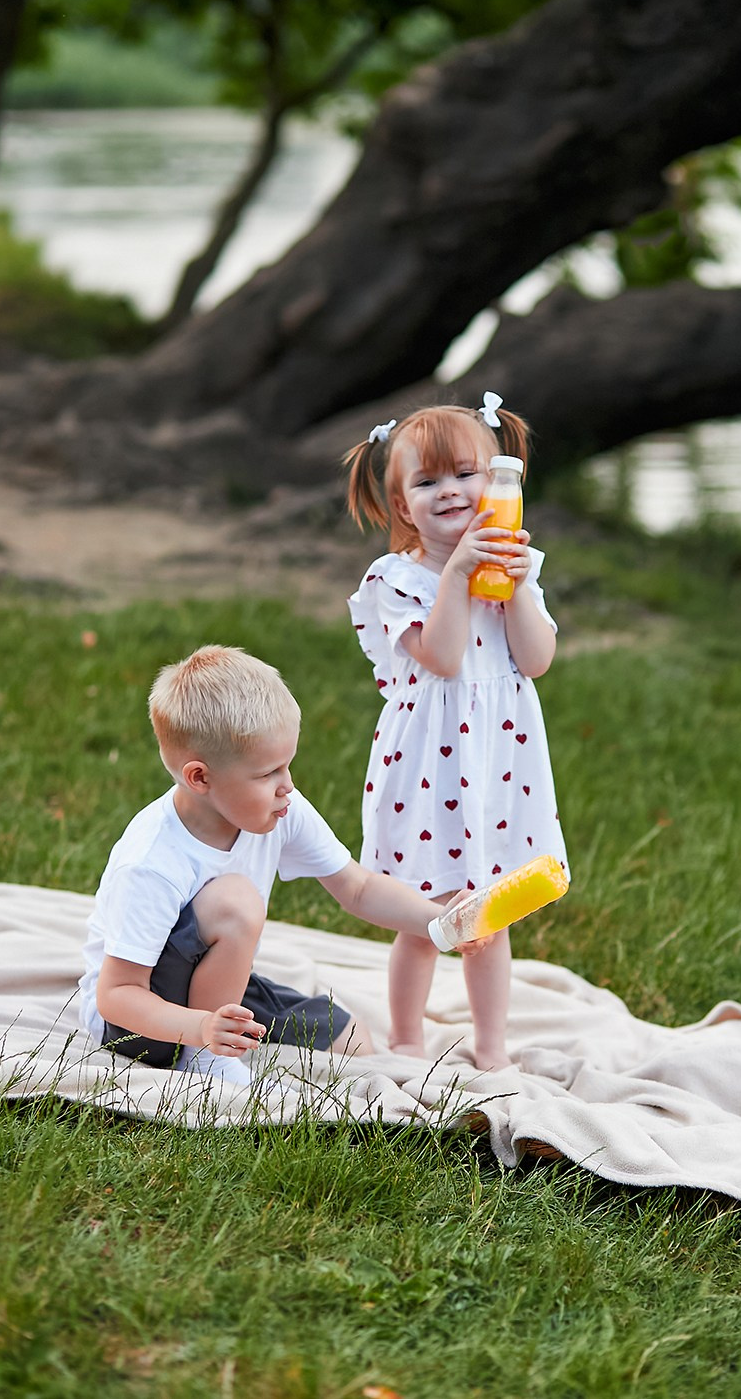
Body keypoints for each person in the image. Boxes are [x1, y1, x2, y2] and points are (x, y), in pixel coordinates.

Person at [78, 644, 483, 1087]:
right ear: (200, 778)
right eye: (267, 773)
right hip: (138, 1024)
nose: (286, 784)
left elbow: (358, 888)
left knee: (352, 1041)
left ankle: (218, 1038)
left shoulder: (280, 807)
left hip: (216, 986)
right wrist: (200, 1030)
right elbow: (117, 995)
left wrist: (438, 920)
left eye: (287, 765)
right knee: (236, 901)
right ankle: (204, 1059)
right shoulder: (152, 860)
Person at [344, 396, 569, 1071]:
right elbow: (440, 657)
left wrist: (519, 590)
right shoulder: (398, 579)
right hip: (429, 767)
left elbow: (535, 661)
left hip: (498, 762)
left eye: (466, 474)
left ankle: (491, 1045)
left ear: (499, 480)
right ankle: (407, 1037)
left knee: (488, 917)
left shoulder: (514, 569)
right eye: (427, 482)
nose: (450, 491)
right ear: (402, 508)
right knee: (428, 915)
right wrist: (459, 575)